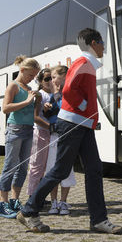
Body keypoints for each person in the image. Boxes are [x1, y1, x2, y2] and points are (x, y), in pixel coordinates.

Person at [17, 28, 122, 234]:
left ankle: (98, 220)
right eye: (101, 42)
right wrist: (84, 106)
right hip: (74, 123)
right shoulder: (83, 63)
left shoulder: (87, 64)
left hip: (82, 124)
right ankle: (29, 210)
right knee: (61, 170)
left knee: (94, 170)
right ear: (94, 43)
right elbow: (68, 89)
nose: (103, 47)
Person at [0, 55, 41, 219]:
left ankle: (15, 200)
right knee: (10, 165)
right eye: (30, 75)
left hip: (28, 129)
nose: (32, 78)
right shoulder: (13, 86)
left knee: (23, 167)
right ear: (22, 70)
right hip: (15, 130)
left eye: (35, 76)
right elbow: (6, 108)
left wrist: (37, 100)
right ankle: (3, 203)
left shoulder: (28, 88)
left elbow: (33, 111)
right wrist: (27, 100)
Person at [43, 65, 77, 215]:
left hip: (67, 135)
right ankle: (54, 202)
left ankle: (63, 202)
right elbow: (51, 112)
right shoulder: (53, 94)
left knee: (67, 169)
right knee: (52, 169)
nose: (52, 80)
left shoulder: (70, 91)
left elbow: (66, 107)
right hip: (54, 135)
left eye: (54, 77)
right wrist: (46, 108)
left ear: (64, 76)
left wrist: (56, 95)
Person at [26, 68, 55, 203]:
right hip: (41, 133)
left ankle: (41, 196)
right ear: (40, 81)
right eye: (47, 79)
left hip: (53, 135)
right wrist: (50, 126)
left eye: (52, 78)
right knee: (37, 166)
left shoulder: (57, 94)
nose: (50, 81)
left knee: (47, 167)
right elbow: (36, 117)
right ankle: (32, 197)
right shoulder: (40, 95)